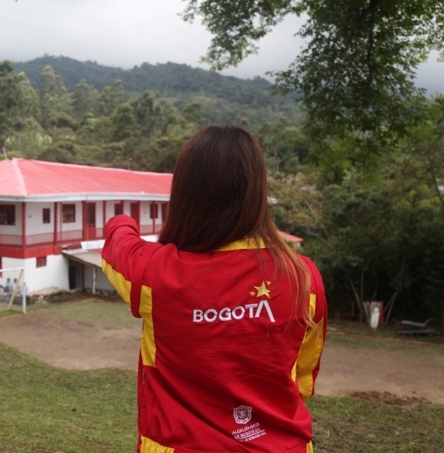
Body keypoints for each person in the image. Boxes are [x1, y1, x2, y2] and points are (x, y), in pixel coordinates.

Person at [102, 125, 327, 452]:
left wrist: (121, 221)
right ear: (256, 191)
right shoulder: (303, 276)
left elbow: (117, 249)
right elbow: (303, 376)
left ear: (185, 193)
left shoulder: (155, 273)